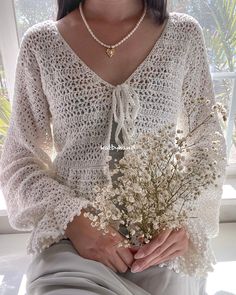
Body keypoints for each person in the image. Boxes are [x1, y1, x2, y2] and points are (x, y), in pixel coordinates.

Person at [0, 0, 227, 294]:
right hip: (74, 249)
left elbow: (209, 145)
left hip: (160, 250)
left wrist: (183, 219)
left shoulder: (183, 36)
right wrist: (74, 218)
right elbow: (18, 162)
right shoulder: (41, 44)